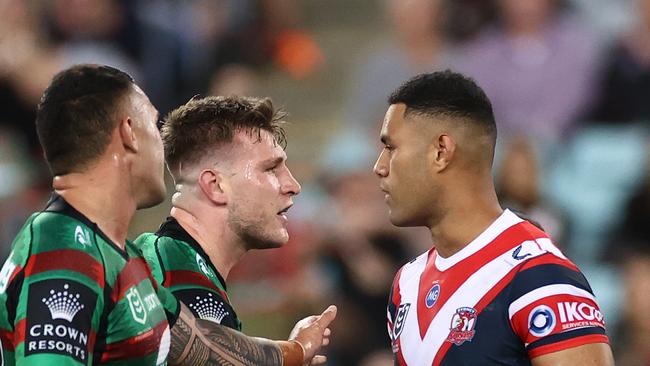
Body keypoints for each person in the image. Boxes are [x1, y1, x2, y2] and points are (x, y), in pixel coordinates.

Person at [0, 64, 335, 365]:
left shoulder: (120, 260)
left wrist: (296, 351)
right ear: (129, 133)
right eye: (152, 122)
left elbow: (203, 344)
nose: (163, 146)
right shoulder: (63, 246)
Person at [373, 70, 613, 365]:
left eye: (390, 147)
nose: (379, 167)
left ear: (441, 152)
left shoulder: (539, 275)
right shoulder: (405, 284)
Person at [135, 95, 300, 332]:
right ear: (215, 185)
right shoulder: (185, 288)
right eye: (271, 169)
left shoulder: (170, 262)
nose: (293, 185)